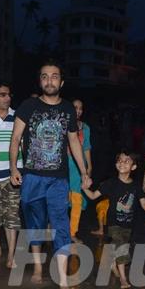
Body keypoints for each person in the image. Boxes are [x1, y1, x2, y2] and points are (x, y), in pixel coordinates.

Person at [9, 61, 91, 289]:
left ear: (61, 82)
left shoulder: (67, 109)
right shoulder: (28, 106)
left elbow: (74, 141)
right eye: (45, 76)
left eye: (54, 77)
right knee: (34, 225)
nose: (49, 81)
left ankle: (64, 282)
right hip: (32, 177)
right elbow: (16, 138)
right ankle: (37, 267)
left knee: (61, 227)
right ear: (40, 81)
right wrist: (14, 167)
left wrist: (84, 172)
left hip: (58, 179)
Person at [83, 151, 145, 288]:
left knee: (123, 247)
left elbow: (143, 203)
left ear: (133, 167)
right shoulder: (110, 183)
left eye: (127, 161)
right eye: (120, 160)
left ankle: (113, 264)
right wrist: (84, 188)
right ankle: (123, 279)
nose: (122, 163)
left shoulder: (136, 186)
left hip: (128, 225)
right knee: (121, 247)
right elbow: (93, 196)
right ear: (116, 164)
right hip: (113, 224)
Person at [0, 82, 23, 268]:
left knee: (12, 216)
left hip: (12, 175)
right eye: (2, 95)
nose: (7, 98)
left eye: (9, 94)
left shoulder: (18, 117)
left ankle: (11, 256)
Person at [68, 98, 92, 243]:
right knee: (62, 201)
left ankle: (72, 232)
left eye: (80, 108)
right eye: (75, 107)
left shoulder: (85, 128)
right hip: (63, 169)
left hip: (78, 169)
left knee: (77, 201)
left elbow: (87, 148)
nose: (78, 110)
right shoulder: (62, 125)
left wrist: (89, 166)